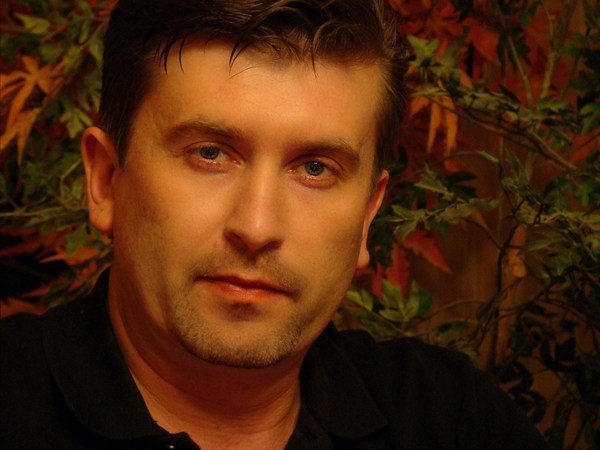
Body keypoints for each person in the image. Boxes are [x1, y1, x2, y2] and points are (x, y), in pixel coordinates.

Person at [1, 0, 550, 448]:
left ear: (368, 216)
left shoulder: (454, 421)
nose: (257, 226)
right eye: (210, 154)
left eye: (315, 168)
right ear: (105, 181)